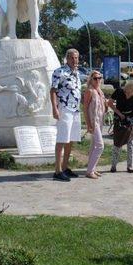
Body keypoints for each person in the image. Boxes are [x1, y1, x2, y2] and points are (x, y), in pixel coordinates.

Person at [50, 48, 81, 182]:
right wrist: (54, 108)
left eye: (77, 58)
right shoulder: (59, 72)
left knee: (71, 139)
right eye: (72, 58)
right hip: (65, 108)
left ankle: (65, 167)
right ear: (67, 58)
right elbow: (52, 90)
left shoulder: (77, 73)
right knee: (62, 139)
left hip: (75, 110)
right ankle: (57, 171)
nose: (75, 61)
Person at [108, 80, 133, 173]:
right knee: (117, 142)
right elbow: (109, 103)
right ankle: (113, 165)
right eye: (129, 91)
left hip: (131, 118)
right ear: (126, 88)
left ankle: (129, 166)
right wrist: (119, 113)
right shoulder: (119, 91)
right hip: (119, 118)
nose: (130, 93)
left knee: (130, 143)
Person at [83, 70, 106, 179]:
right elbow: (85, 109)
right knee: (100, 145)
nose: (98, 80)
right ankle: (89, 171)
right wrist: (88, 124)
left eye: (99, 78)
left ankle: (92, 168)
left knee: (94, 145)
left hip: (100, 120)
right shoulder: (89, 91)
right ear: (91, 79)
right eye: (95, 78)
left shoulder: (99, 91)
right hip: (93, 121)